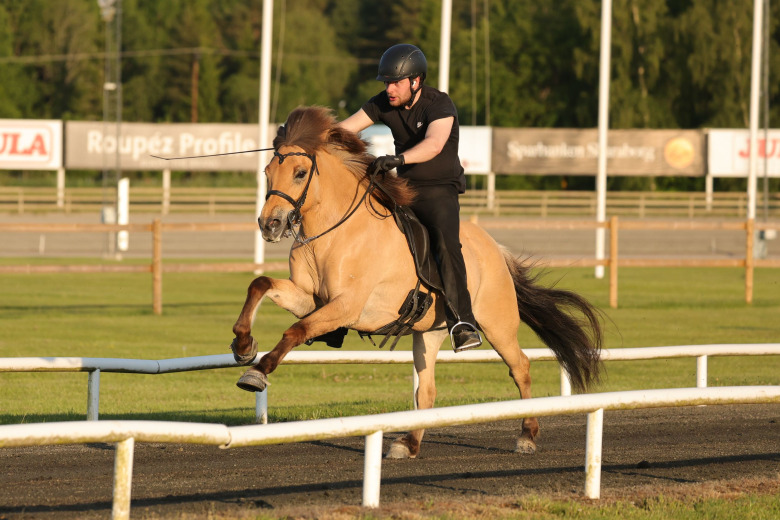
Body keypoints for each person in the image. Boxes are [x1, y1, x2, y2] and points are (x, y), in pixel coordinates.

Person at [338, 43, 482, 352]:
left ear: (415, 82)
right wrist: (302, 138)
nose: (388, 88)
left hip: (439, 190)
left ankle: (463, 322)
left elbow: (432, 145)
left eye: (395, 82)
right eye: (386, 82)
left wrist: (397, 160)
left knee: (445, 242)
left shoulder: (440, 105)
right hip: (404, 190)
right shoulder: (382, 103)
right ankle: (337, 318)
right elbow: (344, 130)